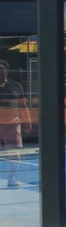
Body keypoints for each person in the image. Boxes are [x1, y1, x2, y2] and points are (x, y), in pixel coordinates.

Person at [0, 59, 30, 188]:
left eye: (2, 69)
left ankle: (11, 179)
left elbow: (23, 105)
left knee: (14, 154)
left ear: (6, 71)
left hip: (12, 125)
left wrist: (27, 121)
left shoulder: (16, 86)